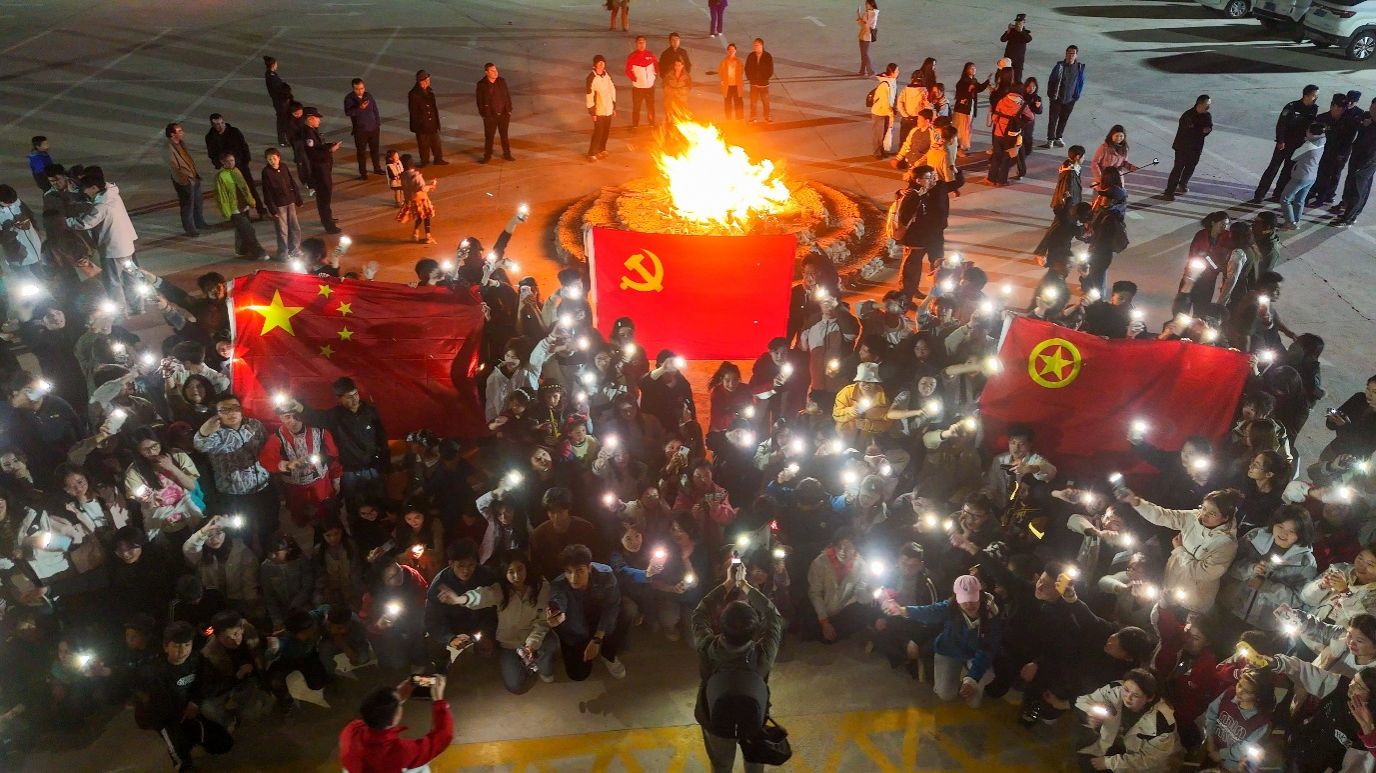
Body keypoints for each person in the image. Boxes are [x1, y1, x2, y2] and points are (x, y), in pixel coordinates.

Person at [692, 558, 784, 773]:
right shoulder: (763, 654)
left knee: (721, 764)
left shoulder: (707, 647)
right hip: (753, 716)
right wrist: (744, 585)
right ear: (754, 631)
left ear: (720, 626)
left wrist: (728, 583)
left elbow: (699, 613)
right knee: (755, 761)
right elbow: (773, 616)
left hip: (714, 717)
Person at [883, 574, 1004, 707]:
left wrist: (972, 679)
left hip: (976, 655)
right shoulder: (950, 606)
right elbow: (930, 611)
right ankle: (960, 674)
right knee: (946, 695)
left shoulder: (992, 616)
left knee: (974, 702)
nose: (969, 604)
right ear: (956, 598)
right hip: (949, 650)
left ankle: (969, 674)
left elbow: (987, 650)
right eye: (964, 600)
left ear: (980, 595)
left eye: (973, 599)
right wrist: (903, 610)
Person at [1119, 487, 1240, 613]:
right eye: (1204, 508)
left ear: (1225, 518)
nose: (1204, 515)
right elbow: (1163, 516)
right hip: (1171, 583)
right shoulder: (1193, 517)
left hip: (1194, 598)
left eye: (1212, 514)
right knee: (1160, 617)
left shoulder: (1226, 544)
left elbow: (1204, 573)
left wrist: (1180, 550)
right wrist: (1135, 501)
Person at [139, 622, 234, 771]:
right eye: (177, 646)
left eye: (187, 645)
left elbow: (209, 681)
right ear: (166, 647)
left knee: (224, 744)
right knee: (182, 758)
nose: (183, 650)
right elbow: (158, 705)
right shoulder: (157, 671)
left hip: (192, 710)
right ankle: (183, 754)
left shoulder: (196, 659)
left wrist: (195, 702)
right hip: (169, 718)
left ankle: (194, 737)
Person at [193, 393, 277, 546]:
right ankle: (249, 551)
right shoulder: (213, 433)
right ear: (217, 414)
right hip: (234, 493)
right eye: (224, 410)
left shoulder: (254, 425)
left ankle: (268, 550)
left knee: (267, 524)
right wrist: (204, 432)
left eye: (235, 408)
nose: (231, 413)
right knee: (243, 530)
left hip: (262, 486)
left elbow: (267, 447)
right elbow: (200, 444)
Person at [1073, 668, 1183, 771]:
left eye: (1136, 695)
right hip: (1113, 743)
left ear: (1150, 698)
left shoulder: (1162, 722)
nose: (1127, 697)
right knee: (1084, 762)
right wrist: (1090, 713)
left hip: (1139, 762)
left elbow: (1152, 759)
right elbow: (1083, 701)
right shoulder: (1115, 689)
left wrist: (1109, 763)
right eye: (1126, 689)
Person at [547, 543, 629, 680]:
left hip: (600, 618)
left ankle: (607, 654)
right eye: (568, 572)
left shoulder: (605, 575)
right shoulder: (559, 584)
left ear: (589, 568)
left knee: (624, 613)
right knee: (578, 674)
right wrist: (557, 613)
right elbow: (557, 599)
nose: (573, 578)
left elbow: (612, 606)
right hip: (576, 627)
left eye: (579, 571)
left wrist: (598, 638)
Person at [339, 676, 453, 773]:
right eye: (399, 706)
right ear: (392, 721)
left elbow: (375, 711)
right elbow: (442, 737)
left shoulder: (351, 729)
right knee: (423, 769)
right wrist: (439, 701)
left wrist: (395, 697)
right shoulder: (399, 752)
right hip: (384, 765)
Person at [1251, 84, 1320, 204]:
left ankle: (1278, 194)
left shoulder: (1313, 109)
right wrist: (1280, 140)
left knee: (1288, 170)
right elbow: (1281, 124)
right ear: (1306, 95)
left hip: (1297, 145)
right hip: (1284, 143)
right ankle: (1259, 195)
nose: (1316, 98)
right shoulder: (1292, 106)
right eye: (1314, 95)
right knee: (1273, 168)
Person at [893, 164, 951, 301]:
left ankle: (938, 298)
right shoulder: (911, 195)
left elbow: (953, 184)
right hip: (916, 239)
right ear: (918, 180)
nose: (933, 179)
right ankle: (906, 297)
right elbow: (904, 217)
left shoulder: (937, 188)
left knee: (938, 266)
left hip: (935, 236)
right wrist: (916, 197)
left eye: (933, 176)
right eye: (929, 177)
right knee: (911, 269)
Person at [205, 114, 264, 219]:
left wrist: (246, 160)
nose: (220, 126)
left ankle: (261, 210)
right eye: (217, 124)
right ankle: (244, 215)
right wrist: (219, 164)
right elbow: (212, 153)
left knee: (250, 187)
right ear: (212, 125)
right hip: (227, 169)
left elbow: (244, 145)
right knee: (235, 192)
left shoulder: (234, 132)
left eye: (221, 123)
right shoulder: (210, 137)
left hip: (241, 166)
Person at [213, 153, 266, 260]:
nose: (231, 163)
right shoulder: (221, 176)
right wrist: (226, 211)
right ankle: (258, 252)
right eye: (228, 161)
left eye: (232, 160)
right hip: (234, 208)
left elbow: (245, 188)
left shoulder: (236, 171)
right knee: (249, 231)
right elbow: (221, 195)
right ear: (222, 162)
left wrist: (250, 201)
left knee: (241, 230)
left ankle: (241, 250)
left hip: (243, 205)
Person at [1334, 97, 1376, 227]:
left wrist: (1364, 165)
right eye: (1372, 107)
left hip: (1367, 162)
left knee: (1359, 190)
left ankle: (1349, 218)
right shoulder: (1367, 117)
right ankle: (1349, 211)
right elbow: (1355, 121)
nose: (1373, 110)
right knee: (1352, 186)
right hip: (1357, 157)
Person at [299, 107, 342, 234]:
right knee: (323, 198)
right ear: (310, 119)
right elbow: (313, 155)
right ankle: (328, 225)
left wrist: (328, 145)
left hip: (322, 169)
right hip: (319, 172)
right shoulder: (308, 135)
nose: (319, 121)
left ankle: (328, 218)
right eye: (317, 118)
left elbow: (318, 148)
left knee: (326, 197)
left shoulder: (312, 131)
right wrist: (330, 150)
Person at [1279, 121, 1326, 229]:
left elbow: (1294, 157)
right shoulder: (1322, 141)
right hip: (1312, 176)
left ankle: (1290, 222)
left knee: (1285, 199)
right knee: (1300, 200)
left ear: (1311, 133)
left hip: (1301, 175)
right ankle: (1296, 221)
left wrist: (1306, 142)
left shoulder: (1309, 145)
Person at [165, 122, 210, 237]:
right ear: (172, 134)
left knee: (198, 202)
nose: (182, 133)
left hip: (193, 176)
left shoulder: (181, 143)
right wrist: (185, 179)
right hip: (185, 180)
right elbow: (174, 166)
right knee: (187, 205)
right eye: (179, 131)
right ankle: (190, 229)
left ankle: (199, 222)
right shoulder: (168, 148)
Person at [1164, 95, 1212, 200]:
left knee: (1191, 167)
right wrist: (1201, 130)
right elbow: (1189, 132)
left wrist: (1201, 130)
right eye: (1207, 104)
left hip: (1196, 148)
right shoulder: (1187, 116)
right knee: (1178, 169)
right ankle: (1169, 192)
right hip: (1182, 147)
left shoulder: (1207, 115)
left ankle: (1183, 184)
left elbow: (1209, 128)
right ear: (1200, 104)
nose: (1209, 107)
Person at [1044, 46, 1085, 148]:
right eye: (1069, 53)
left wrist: (1076, 96)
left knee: (1063, 119)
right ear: (1066, 54)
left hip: (1070, 99)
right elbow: (1051, 80)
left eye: (1073, 53)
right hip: (1057, 98)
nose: (1071, 55)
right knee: (1053, 119)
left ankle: (1058, 137)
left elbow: (1080, 82)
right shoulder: (1059, 67)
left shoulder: (1079, 68)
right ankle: (1050, 139)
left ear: (1076, 55)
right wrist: (1051, 95)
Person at [343, 78, 383, 179]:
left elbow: (375, 109)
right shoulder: (349, 99)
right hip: (360, 131)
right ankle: (363, 173)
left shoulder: (368, 96)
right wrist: (359, 108)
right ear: (353, 89)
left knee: (375, 150)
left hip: (373, 129)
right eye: (357, 89)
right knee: (361, 153)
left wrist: (377, 123)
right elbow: (348, 112)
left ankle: (377, 168)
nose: (360, 91)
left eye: (362, 88)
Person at [475, 63, 514, 163]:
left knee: (504, 136)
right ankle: (487, 156)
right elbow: (479, 101)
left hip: (504, 114)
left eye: (496, 70)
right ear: (486, 72)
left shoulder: (501, 81)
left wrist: (509, 110)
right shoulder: (481, 84)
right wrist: (484, 114)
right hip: (490, 116)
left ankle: (507, 154)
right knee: (489, 137)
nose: (495, 72)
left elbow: (507, 96)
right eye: (492, 71)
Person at [407, 70, 446, 167]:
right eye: (427, 80)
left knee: (436, 142)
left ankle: (438, 159)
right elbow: (413, 111)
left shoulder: (429, 91)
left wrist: (436, 121)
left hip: (432, 122)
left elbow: (433, 108)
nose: (429, 81)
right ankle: (424, 161)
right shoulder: (414, 94)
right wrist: (421, 122)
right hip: (422, 124)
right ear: (422, 81)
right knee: (423, 144)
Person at [396, 155, 437, 244]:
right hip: (421, 199)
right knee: (426, 216)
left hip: (412, 200)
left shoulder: (403, 176)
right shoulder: (416, 176)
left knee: (419, 216)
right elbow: (422, 188)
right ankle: (428, 236)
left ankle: (415, 233)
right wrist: (431, 185)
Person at [987, 88, 1025, 186]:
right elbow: (1030, 117)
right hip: (1011, 136)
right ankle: (1001, 181)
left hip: (998, 133)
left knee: (996, 156)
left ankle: (991, 179)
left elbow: (994, 118)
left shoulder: (1002, 100)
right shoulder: (1022, 104)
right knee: (1006, 157)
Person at [1090, 125, 1140, 192]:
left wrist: (1131, 167)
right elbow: (1094, 163)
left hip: (1117, 178)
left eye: (1121, 136)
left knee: (1118, 194)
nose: (1119, 138)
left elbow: (1124, 162)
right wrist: (1100, 178)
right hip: (1105, 178)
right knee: (1103, 195)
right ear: (1111, 136)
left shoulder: (1124, 148)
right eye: (1116, 136)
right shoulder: (1104, 147)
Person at [586, 55, 617, 162]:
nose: (601, 64)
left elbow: (612, 90)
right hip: (599, 110)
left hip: (608, 109)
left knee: (606, 131)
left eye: (603, 62)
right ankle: (591, 153)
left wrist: (614, 107)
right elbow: (589, 96)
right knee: (598, 132)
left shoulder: (606, 75)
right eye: (599, 63)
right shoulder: (592, 78)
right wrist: (592, 112)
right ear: (595, 65)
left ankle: (602, 149)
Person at [625, 36, 658, 129]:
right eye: (639, 42)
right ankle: (635, 125)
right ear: (636, 44)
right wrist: (635, 79)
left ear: (646, 43)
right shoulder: (632, 56)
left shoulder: (650, 55)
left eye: (643, 42)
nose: (641, 44)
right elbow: (628, 70)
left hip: (650, 87)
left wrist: (654, 76)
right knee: (637, 107)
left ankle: (652, 123)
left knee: (650, 106)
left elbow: (656, 66)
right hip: (638, 88)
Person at [870, 63, 898, 159]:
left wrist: (893, 109)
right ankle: (877, 153)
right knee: (878, 134)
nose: (898, 72)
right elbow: (885, 102)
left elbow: (893, 97)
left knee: (884, 133)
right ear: (892, 72)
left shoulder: (892, 82)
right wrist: (891, 114)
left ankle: (882, 150)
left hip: (886, 112)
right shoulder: (884, 85)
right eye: (897, 71)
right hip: (879, 112)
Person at [745, 38, 773, 124]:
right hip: (754, 84)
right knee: (753, 102)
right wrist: (750, 78)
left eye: (756, 45)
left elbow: (770, 70)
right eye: (754, 45)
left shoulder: (767, 56)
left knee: (766, 102)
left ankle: (767, 116)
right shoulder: (751, 56)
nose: (755, 47)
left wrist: (765, 78)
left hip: (764, 84)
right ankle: (753, 117)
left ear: (761, 45)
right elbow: (747, 68)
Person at [1000, 14, 1031, 83]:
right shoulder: (1011, 31)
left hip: (1018, 61)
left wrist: (1021, 31)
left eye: (1020, 22)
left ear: (1024, 22)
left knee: (1017, 79)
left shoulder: (1025, 33)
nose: (1018, 24)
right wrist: (1008, 30)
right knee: (1005, 78)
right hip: (1008, 60)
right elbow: (1002, 39)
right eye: (1017, 22)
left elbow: (1028, 39)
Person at [856, 2, 878, 77]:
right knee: (863, 54)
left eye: (867, 4)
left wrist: (863, 22)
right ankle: (862, 71)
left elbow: (867, 25)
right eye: (865, 4)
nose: (865, 5)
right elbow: (861, 24)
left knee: (865, 54)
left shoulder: (873, 13)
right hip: (862, 34)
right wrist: (858, 15)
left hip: (867, 35)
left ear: (871, 4)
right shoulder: (866, 13)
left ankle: (871, 71)